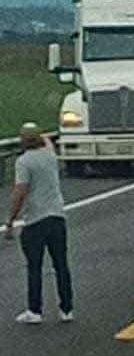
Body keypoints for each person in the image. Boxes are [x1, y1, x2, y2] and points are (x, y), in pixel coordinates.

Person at [4, 123, 74, 324]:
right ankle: (67, 308)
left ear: (23, 141)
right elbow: (47, 141)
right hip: (57, 216)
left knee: (34, 267)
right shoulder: (50, 156)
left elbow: (20, 191)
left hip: (35, 219)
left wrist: (10, 220)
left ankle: (35, 310)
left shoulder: (24, 162)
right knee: (61, 264)